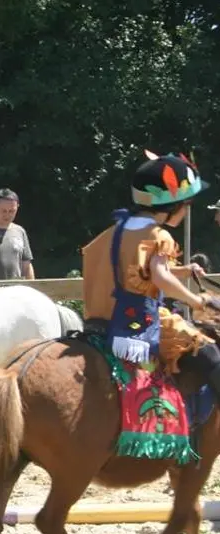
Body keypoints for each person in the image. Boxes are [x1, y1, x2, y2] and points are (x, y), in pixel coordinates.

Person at [81, 152, 220, 393]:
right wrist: (196, 301)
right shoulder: (158, 235)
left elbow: (135, 271)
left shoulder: (114, 232)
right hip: (137, 323)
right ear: (171, 205)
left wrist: (184, 271)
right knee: (209, 353)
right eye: (186, 205)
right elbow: (158, 276)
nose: (187, 211)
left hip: (98, 322)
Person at [0, 188, 35, 280]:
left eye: (12, 211)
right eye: (3, 211)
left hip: (15, 289)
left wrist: (32, 287)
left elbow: (26, 265)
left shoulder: (20, 231)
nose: (7, 215)